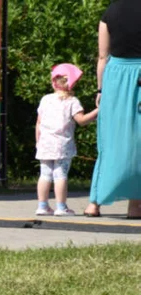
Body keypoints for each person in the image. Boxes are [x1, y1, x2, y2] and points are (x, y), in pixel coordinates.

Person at [84, 0, 141, 219]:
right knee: (138, 142)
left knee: (109, 139)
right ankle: (135, 205)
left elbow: (102, 57)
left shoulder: (111, 11)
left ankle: (93, 203)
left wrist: (100, 91)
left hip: (116, 76)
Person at [35, 63, 98, 216]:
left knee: (45, 175)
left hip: (45, 144)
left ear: (53, 82)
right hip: (62, 146)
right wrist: (98, 111)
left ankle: (42, 206)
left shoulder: (45, 99)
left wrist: (38, 142)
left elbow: (38, 123)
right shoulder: (72, 101)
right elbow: (81, 120)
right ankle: (61, 207)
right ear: (72, 83)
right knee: (60, 175)